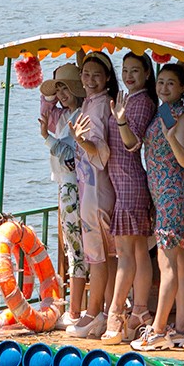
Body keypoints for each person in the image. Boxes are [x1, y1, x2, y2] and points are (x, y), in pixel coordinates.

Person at [130, 62, 184, 352]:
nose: (164, 88)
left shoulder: (182, 117)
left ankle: (158, 330)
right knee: (179, 261)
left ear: (183, 87)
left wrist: (171, 137)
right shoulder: (161, 112)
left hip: (173, 193)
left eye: (171, 83)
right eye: (161, 83)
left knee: (168, 263)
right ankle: (180, 327)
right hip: (161, 193)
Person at [99, 52, 156, 344]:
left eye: (136, 70)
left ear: (147, 73)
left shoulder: (143, 101)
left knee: (129, 254)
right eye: (125, 70)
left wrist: (120, 122)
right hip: (121, 184)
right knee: (134, 252)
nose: (130, 75)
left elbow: (132, 143)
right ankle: (139, 314)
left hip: (132, 183)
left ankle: (118, 313)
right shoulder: (127, 98)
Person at [66, 53, 118, 338]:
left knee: (98, 253)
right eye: (85, 74)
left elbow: (100, 152)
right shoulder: (91, 102)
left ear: (108, 77)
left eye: (96, 75)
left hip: (97, 187)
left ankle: (95, 311)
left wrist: (81, 140)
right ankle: (107, 309)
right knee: (104, 253)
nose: (89, 79)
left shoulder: (101, 106)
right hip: (90, 185)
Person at [39, 64, 89, 325]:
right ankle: (77, 307)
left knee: (76, 249)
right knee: (72, 248)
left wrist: (46, 138)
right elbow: (44, 112)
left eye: (65, 88)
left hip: (74, 188)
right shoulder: (65, 115)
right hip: (65, 187)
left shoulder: (80, 116)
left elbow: (70, 156)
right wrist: (48, 94)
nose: (61, 94)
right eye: (58, 89)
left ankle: (76, 311)